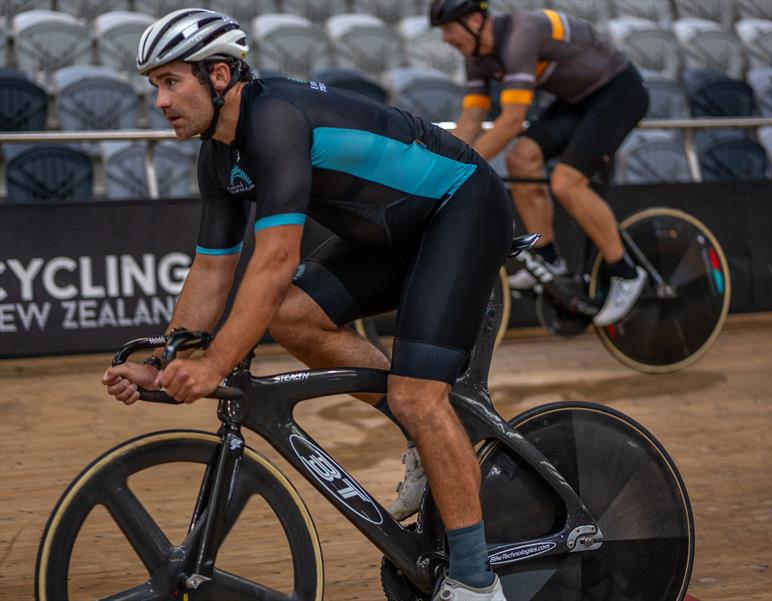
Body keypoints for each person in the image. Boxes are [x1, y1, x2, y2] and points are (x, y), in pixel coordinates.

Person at [102, 8, 511, 601]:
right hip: (398, 231)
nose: (160, 100)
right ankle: (426, 437)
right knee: (293, 315)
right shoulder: (219, 154)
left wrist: (215, 364)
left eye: (171, 82)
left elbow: (272, 262)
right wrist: (170, 356)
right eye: (154, 86)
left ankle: (477, 582)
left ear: (219, 75)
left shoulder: (274, 122)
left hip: (461, 208)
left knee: (418, 396)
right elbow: (212, 270)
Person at [429, 0, 650, 327]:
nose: (445, 38)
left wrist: (462, 169)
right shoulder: (477, 57)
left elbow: (512, 121)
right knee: (521, 158)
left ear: (475, 20)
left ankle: (626, 272)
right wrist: (441, 164)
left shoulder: (521, 34)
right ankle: (549, 259)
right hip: (576, 101)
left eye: (448, 29)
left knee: (566, 182)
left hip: (618, 93)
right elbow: (472, 116)